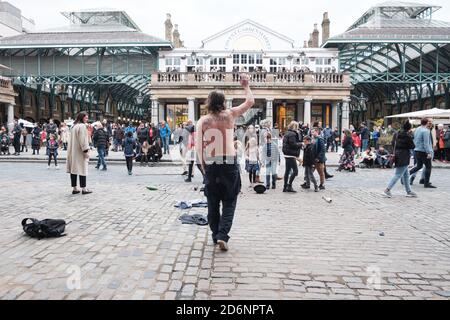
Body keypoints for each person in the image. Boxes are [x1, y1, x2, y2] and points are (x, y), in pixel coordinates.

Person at [195, 73, 254, 251]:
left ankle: (215, 235)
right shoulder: (230, 115)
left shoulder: (203, 121)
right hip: (229, 163)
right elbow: (250, 102)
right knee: (229, 201)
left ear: (208, 102)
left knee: (212, 202)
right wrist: (246, 85)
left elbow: (199, 148)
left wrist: (204, 168)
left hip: (212, 163)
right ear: (223, 102)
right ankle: (223, 235)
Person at [383, 121, 417, 198]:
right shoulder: (407, 136)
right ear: (409, 128)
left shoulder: (396, 134)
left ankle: (409, 191)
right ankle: (387, 190)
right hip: (404, 155)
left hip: (397, 154)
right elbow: (412, 146)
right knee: (398, 174)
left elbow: (392, 143)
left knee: (406, 174)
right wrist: (411, 136)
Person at [66, 112, 92, 195]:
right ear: (82, 118)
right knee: (82, 169)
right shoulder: (82, 126)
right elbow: (83, 140)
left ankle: (75, 188)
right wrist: (85, 151)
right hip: (79, 151)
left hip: (72, 151)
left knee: (73, 170)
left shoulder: (73, 126)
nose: (87, 119)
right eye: (86, 118)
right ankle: (84, 189)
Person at [409, 118, 435, 189]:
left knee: (418, 166)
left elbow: (414, 139)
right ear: (426, 123)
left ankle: (405, 175)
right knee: (428, 167)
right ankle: (426, 183)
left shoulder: (417, 129)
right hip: (423, 151)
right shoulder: (426, 131)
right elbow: (426, 143)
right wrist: (428, 153)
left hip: (417, 150)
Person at [282, 121, 302, 193]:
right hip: (291, 154)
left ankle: (285, 187)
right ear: (295, 127)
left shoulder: (287, 133)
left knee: (287, 171)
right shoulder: (292, 134)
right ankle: (289, 186)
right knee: (295, 171)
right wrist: (301, 144)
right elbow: (293, 144)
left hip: (287, 154)